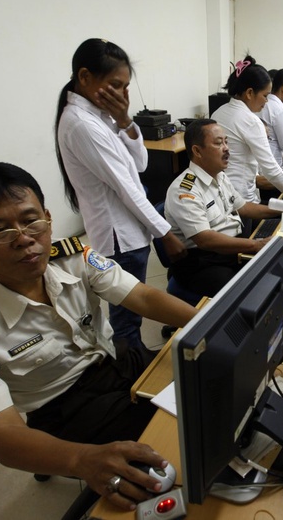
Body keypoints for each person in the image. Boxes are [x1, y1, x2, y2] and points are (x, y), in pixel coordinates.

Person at [0, 161, 199, 512]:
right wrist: (81, 460)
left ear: (48, 217)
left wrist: (208, 323)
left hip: (117, 360)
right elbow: (1, 434)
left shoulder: (71, 256)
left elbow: (143, 297)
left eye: (31, 221)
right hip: (66, 407)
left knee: (206, 387)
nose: (25, 239)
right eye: (0, 232)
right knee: (177, 455)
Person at [55, 38, 186, 352]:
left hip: (130, 231)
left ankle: (135, 360)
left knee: (132, 311)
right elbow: (129, 190)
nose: (121, 94)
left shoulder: (103, 118)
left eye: (126, 87)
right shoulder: (81, 125)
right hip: (119, 237)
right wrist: (165, 233)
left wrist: (126, 121)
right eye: (115, 85)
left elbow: (140, 163)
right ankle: (131, 371)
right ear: (85, 77)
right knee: (127, 315)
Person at [165, 120, 280, 298]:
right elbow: (205, 240)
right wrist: (255, 245)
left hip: (229, 248)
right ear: (197, 151)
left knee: (273, 271)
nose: (226, 148)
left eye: (226, 142)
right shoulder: (185, 190)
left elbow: (244, 207)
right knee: (251, 293)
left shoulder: (219, 175)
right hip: (203, 261)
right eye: (219, 143)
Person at [210, 56, 283, 210]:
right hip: (242, 198)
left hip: (220, 196)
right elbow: (270, 167)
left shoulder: (218, 113)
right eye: (265, 96)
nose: (266, 101)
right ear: (249, 93)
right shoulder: (250, 120)